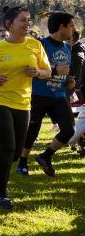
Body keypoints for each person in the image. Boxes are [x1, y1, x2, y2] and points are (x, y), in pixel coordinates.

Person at [0, 6, 51, 209]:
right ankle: (0, 196)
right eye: (22, 20)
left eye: (29, 20)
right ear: (9, 24)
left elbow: (48, 71)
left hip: (23, 103)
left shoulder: (35, 45)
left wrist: (38, 72)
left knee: (14, 154)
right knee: (7, 148)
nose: (27, 24)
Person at [16, 12, 77, 176]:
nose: (74, 28)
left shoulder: (67, 47)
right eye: (71, 25)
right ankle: (22, 162)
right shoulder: (40, 44)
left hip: (59, 95)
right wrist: (56, 70)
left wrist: (69, 82)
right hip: (39, 93)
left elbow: (65, 73)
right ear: (61, 27)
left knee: (69, 130)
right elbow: (32, 70)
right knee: (32, 130)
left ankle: (45, 156)